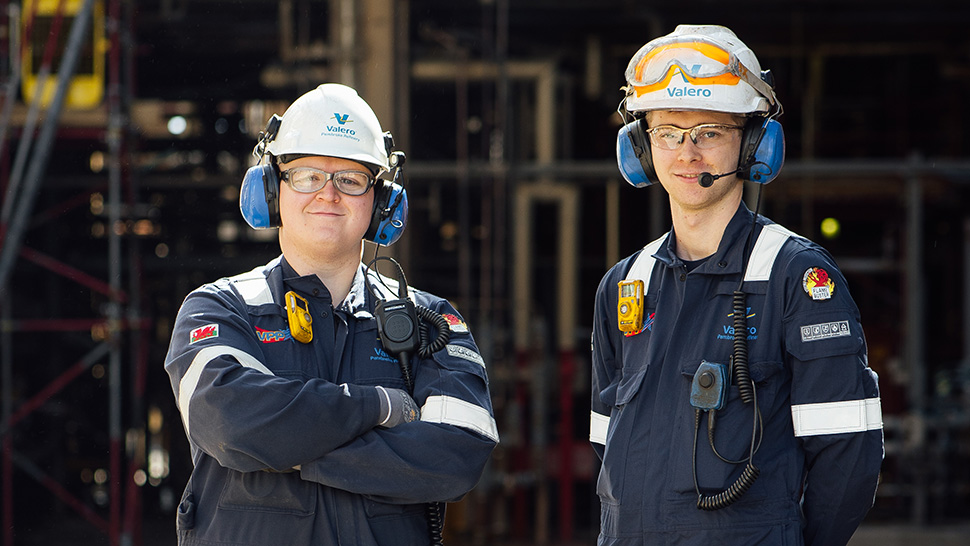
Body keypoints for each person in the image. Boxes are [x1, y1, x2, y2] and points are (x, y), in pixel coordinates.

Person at [164, 83, 499, 546]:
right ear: (271, 190)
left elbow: (456, 456)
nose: (328, 194)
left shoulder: (431, 321)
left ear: (381, 202)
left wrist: (281, 448)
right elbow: (230, 424)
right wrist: (381, 407)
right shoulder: (220, 308)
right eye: (306, 175)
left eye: (351, 179)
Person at [589, 25, 883, 545]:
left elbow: (847, 454)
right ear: (640, 147)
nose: (687, 153)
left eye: (709, 132)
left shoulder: (795, 276)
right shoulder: (625, 284)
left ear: (753, 146)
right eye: (667, 132)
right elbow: (607, 445)